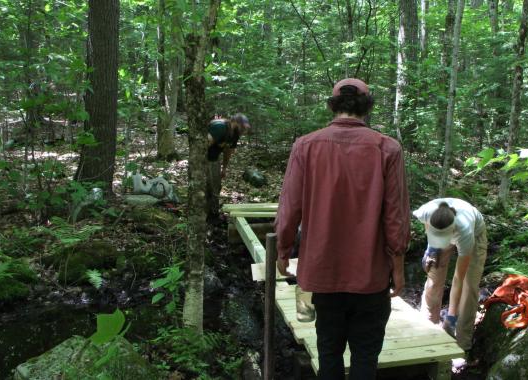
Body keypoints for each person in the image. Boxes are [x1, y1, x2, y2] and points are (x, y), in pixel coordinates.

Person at [274, 78, 410, 380]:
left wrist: (283, 250)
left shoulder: (306, 146)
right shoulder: (387, 148)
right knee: (365, 356)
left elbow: (289, 207)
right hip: (371, 275)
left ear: (333, 106)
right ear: (367, 107)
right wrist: (398, 265)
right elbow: (396, 216)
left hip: (322, 274)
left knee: (329, 352)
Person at [414, 198, 487, 353]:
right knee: (433, 280)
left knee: (469, 286)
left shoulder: (465, 232)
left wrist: (451, 316)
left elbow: (457, 279)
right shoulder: (424, 212)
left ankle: (461, 345)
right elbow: (428, 227)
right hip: (444, 228)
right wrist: (431, 249)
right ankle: (427, 332)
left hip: (474, 234)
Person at [206, 113, 251, 220]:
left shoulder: (235, 134)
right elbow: (203, 145)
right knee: (207, 187)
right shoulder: (220, 127)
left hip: (214, 159)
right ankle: (204, 215)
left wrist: (224, 168)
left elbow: (228, 151)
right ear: (235, 122)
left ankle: (213, 213)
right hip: (204, 159)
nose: (244, 130)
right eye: (242, 126)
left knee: (216, 186)